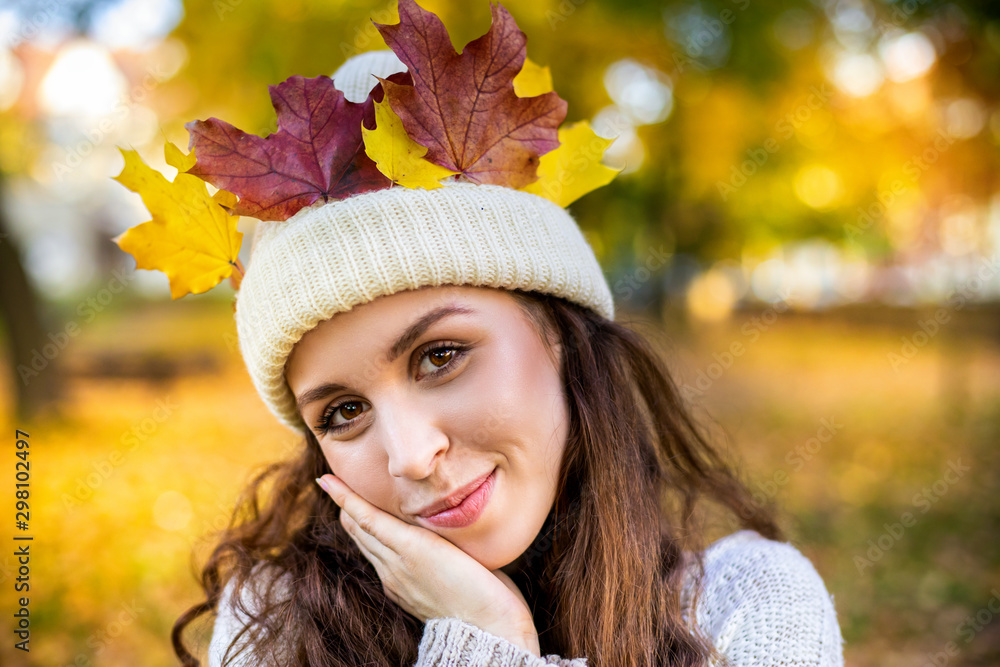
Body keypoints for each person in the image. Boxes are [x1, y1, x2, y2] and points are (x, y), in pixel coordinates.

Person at [158, 10, 846, 666]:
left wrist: (490, 641)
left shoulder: (747, 604)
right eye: (342, 412)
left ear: (555, 331)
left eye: (439, 356)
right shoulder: (279, 620)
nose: (412, 456)